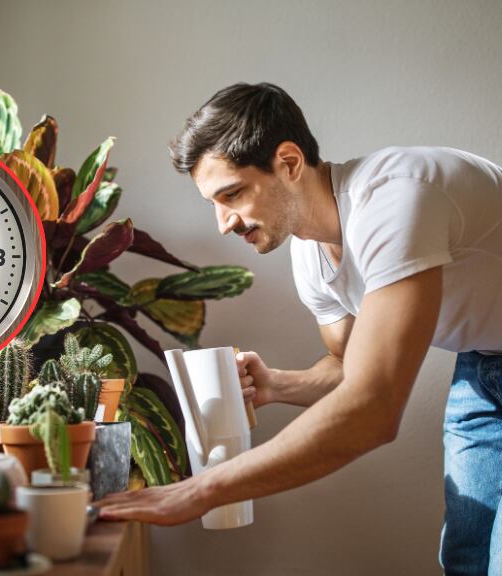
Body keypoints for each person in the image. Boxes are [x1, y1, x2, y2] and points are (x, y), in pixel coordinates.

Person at [95, 83, 502, 575]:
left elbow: (373, 407)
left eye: (232, 194)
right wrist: (279, 385)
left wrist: (203, 489)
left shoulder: (394, 200)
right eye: (213, 203)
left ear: (288, 162)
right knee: (466, 561)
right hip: (483, 366)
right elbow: (349, 368)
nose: (224, 222)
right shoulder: (310, 254)